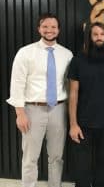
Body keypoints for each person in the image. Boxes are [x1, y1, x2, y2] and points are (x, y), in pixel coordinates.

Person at [6, 13, 73, 187]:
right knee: (30, 157)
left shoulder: (67, 54)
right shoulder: (25, 53)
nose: (49, 30)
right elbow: (17, 84)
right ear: (39, 29)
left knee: (56, 156)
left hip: (58, 109)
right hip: (32, 110)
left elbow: (68, 84)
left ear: (58, 30)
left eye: (53, 27)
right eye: (45, 26)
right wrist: (20, 113)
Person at [68, 22, 104, 187]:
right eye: (95, 34)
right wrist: (73, 124)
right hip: (82, 124)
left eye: (102, 34)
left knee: (103, 167)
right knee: (82, 168)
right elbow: (73, 93)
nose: (99, 37)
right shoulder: (77, 61)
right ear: (89, 37)